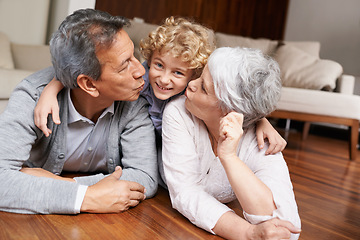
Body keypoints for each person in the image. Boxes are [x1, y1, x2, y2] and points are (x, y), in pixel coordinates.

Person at [33, 17, 287, 184]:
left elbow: (231, 98)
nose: (163, 79)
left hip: (170, 153)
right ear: (149, 59)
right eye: (158, 65)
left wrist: (261, 120)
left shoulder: (193, 91)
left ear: (194, 74)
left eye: (177, 73)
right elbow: (85, 72)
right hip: (130, 148)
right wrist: (51, 89)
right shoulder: (139, 75)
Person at [0, 9, 158, 214]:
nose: (141, 71)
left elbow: (146, 176)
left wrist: (58, 182)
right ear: (89, 84)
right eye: (124, 65)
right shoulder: (32, 96)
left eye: (134, 56)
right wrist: (88, 197)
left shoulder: (133, 98)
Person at [161, 47, 301, 239]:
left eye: (203, 88)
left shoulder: (263, 138)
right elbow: (185, 193)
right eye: (200, 76)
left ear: (230, 111)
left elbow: (287, 226)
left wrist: (229, 156)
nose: (191, 84)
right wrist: (248, 233)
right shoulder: (178, 112)